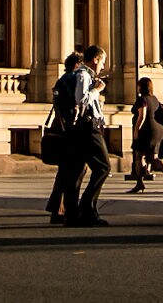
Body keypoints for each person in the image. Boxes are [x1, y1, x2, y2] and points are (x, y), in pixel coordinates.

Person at [59, 45, 113, 225]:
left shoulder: (86, 76)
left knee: (76, 170)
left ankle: (72, 214)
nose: (103, 67)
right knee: (103, 167)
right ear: (95, 60)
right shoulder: (83, 75)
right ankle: (87, 209)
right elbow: (81, 100)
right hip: (88, 128)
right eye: (102, 62)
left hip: (81, 128)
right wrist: (96, 90)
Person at [45, 52, 81, 224]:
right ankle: (66, 208)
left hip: (62, 127)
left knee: (64, 171)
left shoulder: (61, 80)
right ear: (77, 65)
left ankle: (57, 208)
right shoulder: (74, 79)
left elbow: (56, 104)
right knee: (73, 170)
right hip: (70, 129)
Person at [130, 76, 163, 195]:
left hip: (146, 130)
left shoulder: (142, 100)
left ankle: (139, 183)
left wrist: (136, 130)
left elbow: (142, 115)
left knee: (138, 156)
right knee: (154, 157)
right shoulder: (155, 99)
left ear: (140, 87)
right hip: (158, 130)